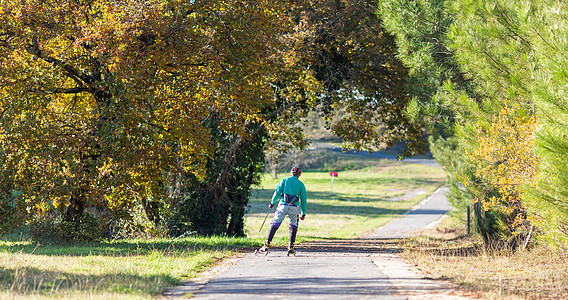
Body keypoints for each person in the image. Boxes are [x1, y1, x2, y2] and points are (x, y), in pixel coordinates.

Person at [257, 167, 307, 255]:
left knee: (275, 224)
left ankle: (266, 245)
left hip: (282, 206)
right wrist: (303, 213)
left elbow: (277, 192)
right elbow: (303, 200)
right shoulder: (301, 184)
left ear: (291, 173)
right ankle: (290, 248)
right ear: (299, 175)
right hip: (294, 207)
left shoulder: (284, 180)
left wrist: (272, 203)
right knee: (293, 226)